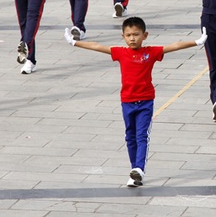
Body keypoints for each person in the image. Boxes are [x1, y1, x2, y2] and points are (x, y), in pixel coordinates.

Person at [64, 16, 207, 186]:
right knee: (130, 137)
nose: (132, 38)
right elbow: (96, 46)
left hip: (146, 102)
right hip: (127, 102)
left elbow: (174, 46)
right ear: (123, 36)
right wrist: (74, 43)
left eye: (136, 34)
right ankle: (134, 172)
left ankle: (139, 168)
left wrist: (197, 42)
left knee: (141, 136)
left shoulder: (151, 52)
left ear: (145, 35)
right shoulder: (120, 52)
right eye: (129, 35)